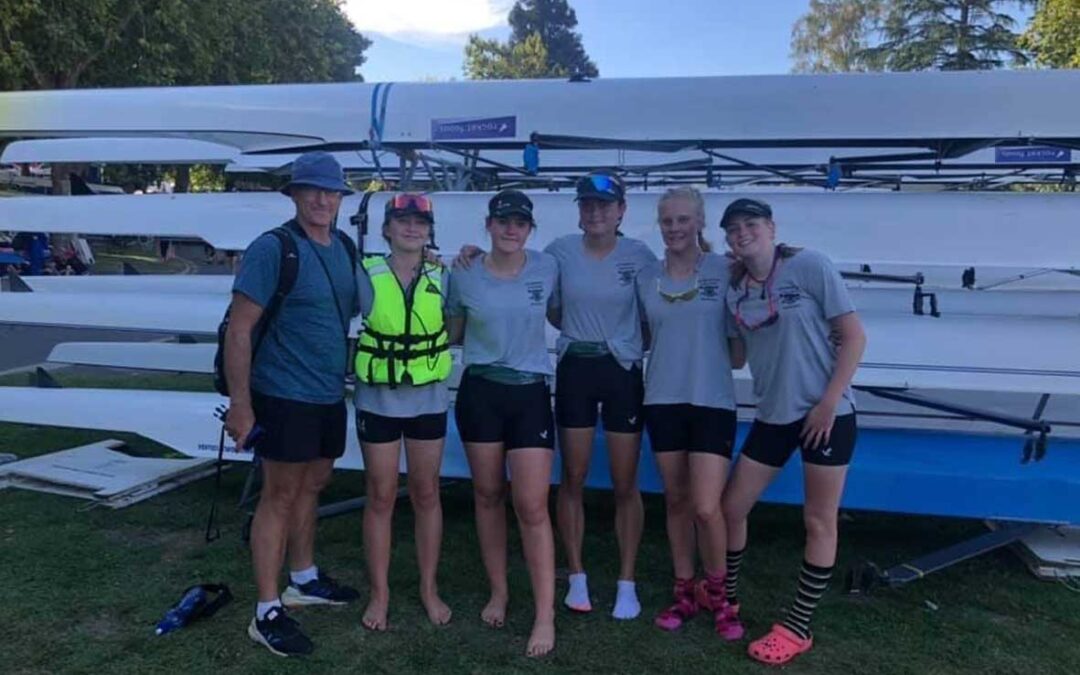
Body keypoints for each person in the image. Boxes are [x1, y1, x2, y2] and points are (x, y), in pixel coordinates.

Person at [718, 198, 866, 666]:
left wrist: (827, 403)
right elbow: (737, 357)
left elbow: (854, 335)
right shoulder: (734, 289)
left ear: (771, 228)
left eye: (752, 224)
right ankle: (728, 594)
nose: (743, 233)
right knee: (731, 507)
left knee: (818, 521)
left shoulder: (809, 266)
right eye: (734, 228)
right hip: (774, 416)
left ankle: (798, 626)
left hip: (828, 415)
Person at [224, 151, 360, 657]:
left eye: (333, 192)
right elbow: (240, 330)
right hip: (282, 393)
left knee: (315, 484)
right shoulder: (273, 248)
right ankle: (266, 610)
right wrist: (242, 405)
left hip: (328, 394)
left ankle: (302, 579)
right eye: (313, 191)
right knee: (278, 496)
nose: (324, 200)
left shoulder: (343, 246)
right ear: (295, 195)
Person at [446, 189, 559, 658]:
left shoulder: (548, 266)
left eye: (520, 222)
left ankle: (545, 613)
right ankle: (500, 591)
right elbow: (451, 333)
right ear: (488, 226)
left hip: (530, 391)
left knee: (531, 505)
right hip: (481, 392)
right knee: (489, 495)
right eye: (503, 221)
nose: (512, 229)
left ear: (530, 230)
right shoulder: (465, 272)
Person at [635, 187, 745, 637]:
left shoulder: (727, 270)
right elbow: (642, 336)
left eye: (683, 220)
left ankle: (720, 597)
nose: (675, 228)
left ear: (700, 221)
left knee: (705, 506)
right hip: (662, 398)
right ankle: (684, 591)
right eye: (667, 221)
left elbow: (738, 354)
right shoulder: (646, 276)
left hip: (712, 400)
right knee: (676, 500)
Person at [545, 172, 655, 619]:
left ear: (621, 211)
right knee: (573, 475)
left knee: (625, 481)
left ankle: (627, 582)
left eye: (605, 206)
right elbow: (549, 306)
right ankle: (576, 575)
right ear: (579, 210)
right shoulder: (560, 251)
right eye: (587, 205)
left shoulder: (640, 255)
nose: (595, 213)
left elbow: (655, 311)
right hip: (576, 366)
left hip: (621, 370)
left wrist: (626, 344)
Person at [353, 193, 453, 631]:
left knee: (427, 493)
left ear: (429, 230)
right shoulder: (365, 273)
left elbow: (457, 322)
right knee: (380, 495)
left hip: (427, 399)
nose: (412, 228)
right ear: (387, 229)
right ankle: (381, 593)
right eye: (402, 221)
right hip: (379, 399)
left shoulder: (444, 274)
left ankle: (429, 588)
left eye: (420, 222)